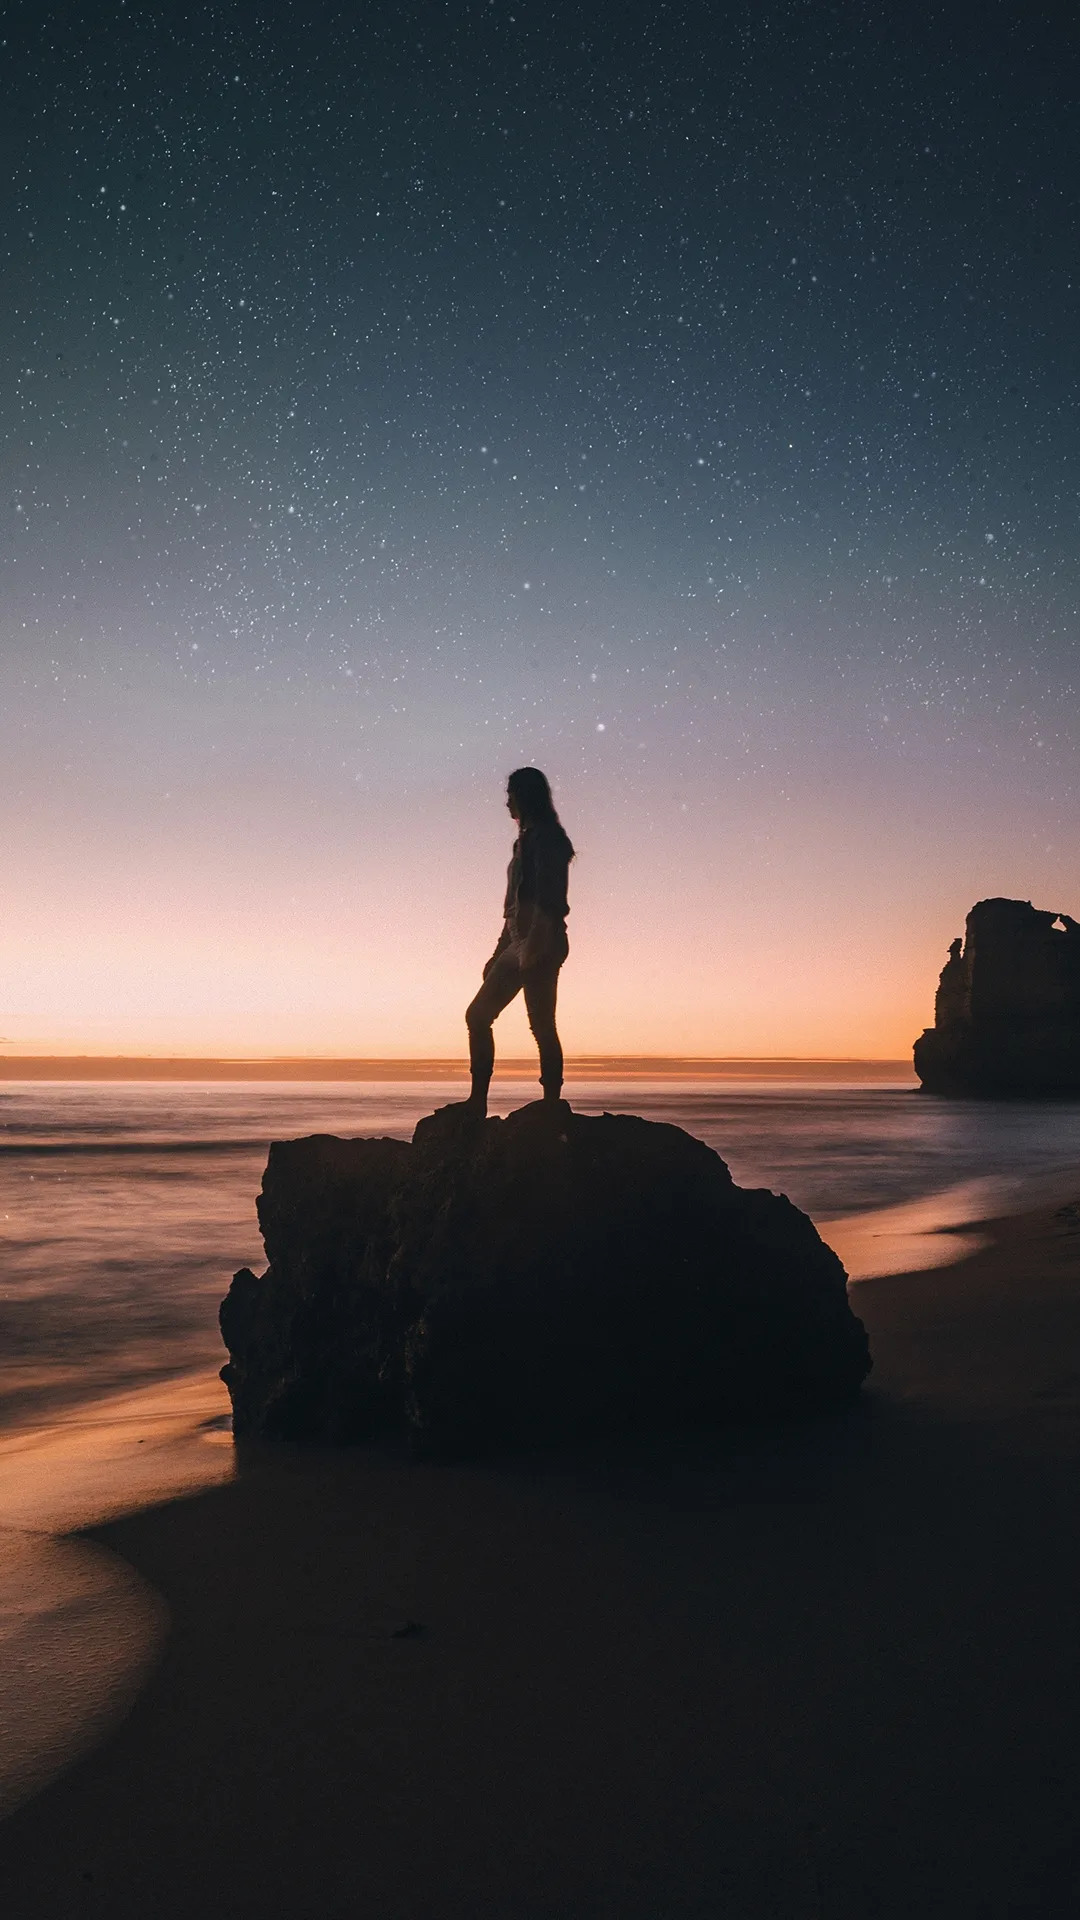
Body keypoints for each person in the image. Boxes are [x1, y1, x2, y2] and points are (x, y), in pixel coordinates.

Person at [463, 767, 575, 1114]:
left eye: (510, 794)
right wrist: (499, 952)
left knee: (541, 1026)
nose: (506, 802)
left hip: (543, 940)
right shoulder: (522, 842)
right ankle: (477, 1102)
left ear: (525, 796)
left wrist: (535, 949)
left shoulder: (549, 838)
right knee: (478, 1016)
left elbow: (550, 901)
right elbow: (513, 908)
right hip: (516, 942)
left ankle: (551, 1105)